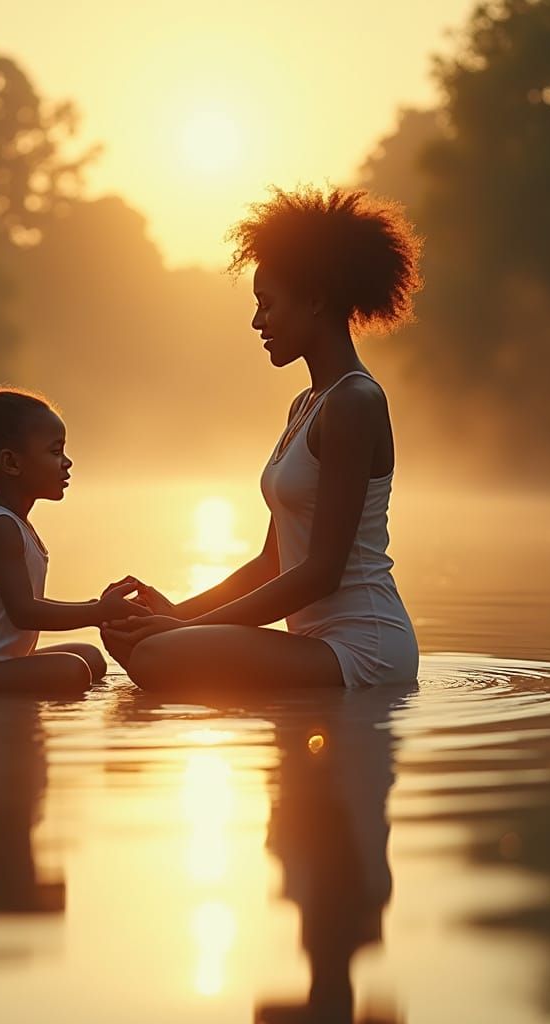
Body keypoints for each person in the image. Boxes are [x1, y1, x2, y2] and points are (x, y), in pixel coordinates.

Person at [103, 186, 421, 693]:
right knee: (138, 642)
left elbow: (322, 574)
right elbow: (272, 562)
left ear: (315, 299)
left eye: (267, 304)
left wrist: (183, 633)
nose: (257, 321)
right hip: (317, 645)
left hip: (363, 650)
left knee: (158, 656)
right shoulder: (307, 405)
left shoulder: (354, 403)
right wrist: (174, 613)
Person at [0, 371, 146, 695]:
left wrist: (100, 609)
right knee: (73, 671)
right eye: (55, 452)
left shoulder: (18, 525)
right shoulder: (2, 529)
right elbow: (24, 612)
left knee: (90, 658)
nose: (67, 462)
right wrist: (98, 611)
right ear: (12, 463)